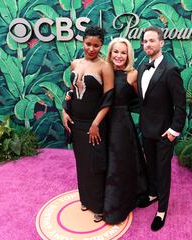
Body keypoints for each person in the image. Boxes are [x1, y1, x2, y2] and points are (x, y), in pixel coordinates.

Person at [62, 26, 114, 223]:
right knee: (82, 163)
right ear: (82, 42)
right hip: (76, 122)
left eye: (96, 45)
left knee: (96, 164)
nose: (91, 48)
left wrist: (96, 124)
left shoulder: (104, 66)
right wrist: (64, 110)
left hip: (95, 124)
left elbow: (109, 98)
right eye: (88, 44)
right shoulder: (74, 64)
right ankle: (86, 199)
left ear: (101, 46)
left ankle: (99, 206)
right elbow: (71, 91)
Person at [136, 26, 186, 231]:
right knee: (151, 167)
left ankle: (162, 210)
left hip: (165, 133)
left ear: (161, 43)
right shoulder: (141, 68)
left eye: (152, 41)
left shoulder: (171, 69)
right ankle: (153, 193)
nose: (147, 44)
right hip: (146, 130)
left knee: (163, 170)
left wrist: (174, 131)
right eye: (145, 41)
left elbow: (180, 104)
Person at [103, 37, 147, 224]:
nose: (119, 56)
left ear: (128, 55)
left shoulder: (133, 75)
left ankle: (116, 208)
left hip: (121, 125)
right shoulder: (103, 71)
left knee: (119, 164)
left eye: (123, 52)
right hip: (102, 123)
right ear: (110, 53)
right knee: (104, 161)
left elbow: (143, 100)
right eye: (116, 51)